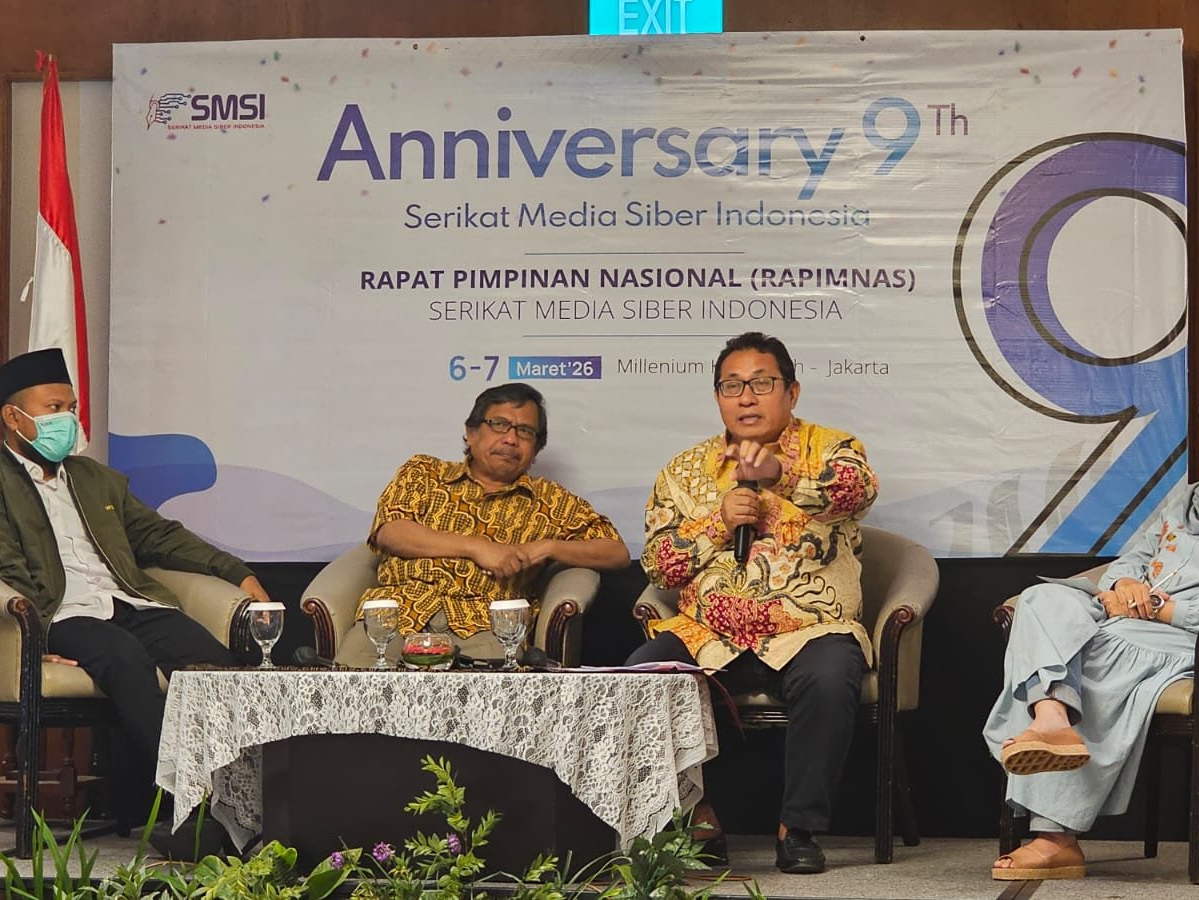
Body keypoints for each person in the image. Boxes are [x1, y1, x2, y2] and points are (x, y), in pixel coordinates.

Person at [985, 384, 1199, 881]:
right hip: (1130, 620)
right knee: (1041, 600)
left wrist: (1163, 609)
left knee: (1096, 652)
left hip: (1195, 643)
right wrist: (1123, 584)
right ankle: (1052, 716)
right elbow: (1135, 558)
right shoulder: (1191, 499)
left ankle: (1056, 837)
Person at [0, 348, 270, 830]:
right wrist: (31, 634)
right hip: (59, 613)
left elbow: (159, 535)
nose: (68, 420)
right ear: (14, 417)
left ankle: (251, 805)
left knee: (215, 664)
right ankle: (194, 810)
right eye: (54, 408)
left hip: (126, 601)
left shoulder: (94, 479)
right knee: (124, 658)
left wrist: (237, 572)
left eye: (71, 408)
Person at [625, 332, 879, 875]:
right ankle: (697, 820)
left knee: (831, 674)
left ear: (792, 391)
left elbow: (856, 492)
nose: (746, 398)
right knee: (640, 675)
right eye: (732, 386)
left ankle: (798, 828)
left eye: (761, 384)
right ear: (717, 396)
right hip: (707, 632)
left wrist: (778, 476)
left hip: (807, 627)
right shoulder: (684, 471)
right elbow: (659, 568)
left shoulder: (833, 447)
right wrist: (717, 524)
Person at [364, 382, 629, 657]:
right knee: (352, 678)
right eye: (499, 424)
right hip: (399, 614)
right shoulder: (424, 472)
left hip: (487, 625)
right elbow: (391, 532)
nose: (511, 439)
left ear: (536, 449)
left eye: (525, 431)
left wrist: (546, 548)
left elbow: (616, 552)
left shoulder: (552, 501)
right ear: (471, 433)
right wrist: (478, 548)